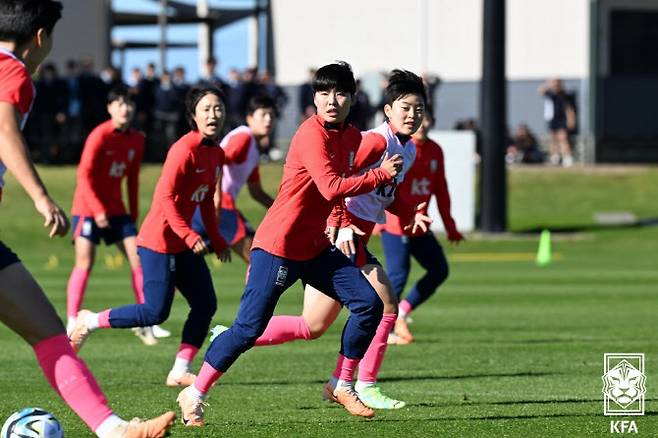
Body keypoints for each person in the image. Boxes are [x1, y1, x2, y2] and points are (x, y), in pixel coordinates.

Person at [175, 62, 404, 425]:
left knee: (368, 304)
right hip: (278, 245)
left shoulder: (351, 137)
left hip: (314, 247)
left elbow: (338, 194)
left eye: (340, 93)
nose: (332, 100)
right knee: (248, 329)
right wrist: (378, 174)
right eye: (324, 93)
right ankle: (195, 391)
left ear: (352, 99)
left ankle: (342, 383)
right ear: (314, 99)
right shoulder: (310, 134)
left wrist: (342, 223)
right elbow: (332, 186)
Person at [0, 1, 174, 436]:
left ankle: (115, 429)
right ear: (41, 37)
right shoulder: (14, 70)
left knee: (47, 331)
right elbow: (3, 130)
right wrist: (41, 197)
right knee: (48, 334)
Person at [244, 69, 430, 411]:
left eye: (418, 108)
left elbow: (386, 193)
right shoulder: (375, 141)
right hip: (340, 237)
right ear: (387, 110)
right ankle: (361, 384)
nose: (412, 115)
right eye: (405, 107)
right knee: (385, 302)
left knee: (312, 325)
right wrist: (339, 223)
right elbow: (334, 182)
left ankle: (241, 334)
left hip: (355, 237)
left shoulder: (409, 151)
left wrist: (410, 213)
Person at [69, 86, 232, 389]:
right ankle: (90, 320)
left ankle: (180, 370)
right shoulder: (183, 150)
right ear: (193, 115)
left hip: (183, 245)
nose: (213, 115)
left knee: (205, 303)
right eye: (206, 109)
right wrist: (188, 233)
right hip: (159, 243)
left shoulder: (216, 153)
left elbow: (206, 200)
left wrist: (217, 239)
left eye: (218, 108)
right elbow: (165, 197)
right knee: (155, 312)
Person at [66, 85, 170, 346]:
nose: (125, 108)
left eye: (129, 104)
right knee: (84, 262)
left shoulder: (137, 138)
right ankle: (71, 320)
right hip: (88, 208)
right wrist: (97, 210)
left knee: (139, 259)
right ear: (110, 108)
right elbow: (83, 176)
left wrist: (134, 216)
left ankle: (147, 321)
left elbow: (132, 180)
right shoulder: (99, 135)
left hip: (117, 210)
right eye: (119, 103)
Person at [379, 108, 464, 345]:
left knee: (439, 269)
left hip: (419, 224)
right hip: (397, 222)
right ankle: (381, 329)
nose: (423, 124)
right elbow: (387, 186)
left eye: (427, 119)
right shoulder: (404, 149)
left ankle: (402, 312)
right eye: (420, 119)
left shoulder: (435, 150)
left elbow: (441, 189)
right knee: (398, 275)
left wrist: (450, 226)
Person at [191, 93, 276, 263]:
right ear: (250, 118)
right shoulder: (244, 137)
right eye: (263, 115)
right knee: (258, 258)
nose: (268, 120)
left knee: (185, 259)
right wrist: (217, 198)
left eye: (272, 116)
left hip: (213, 204)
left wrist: (282, 209)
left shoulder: (253, 149)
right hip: (217, 204)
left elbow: (256, 192)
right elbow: (218, 161)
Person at [539, 78, 576, 166]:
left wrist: (571, 120)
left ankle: (567, 157)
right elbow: (541, 91)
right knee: (553, 139)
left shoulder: (564, 95)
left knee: (563, 138)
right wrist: (549, 84)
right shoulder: (550, 94)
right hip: (552, 119)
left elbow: (569, 109)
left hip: (562, 119)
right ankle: (554, 158)